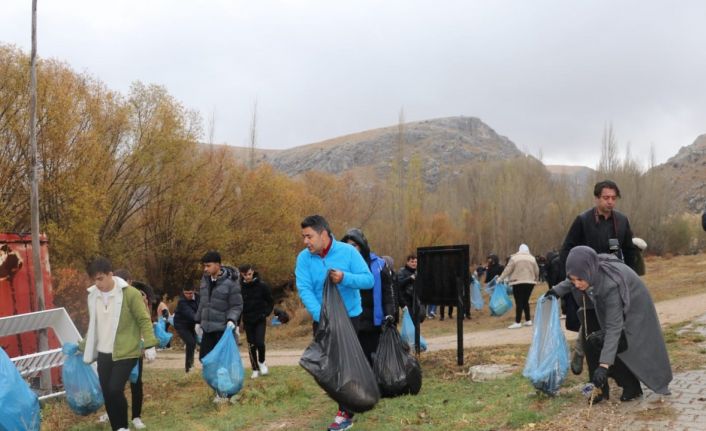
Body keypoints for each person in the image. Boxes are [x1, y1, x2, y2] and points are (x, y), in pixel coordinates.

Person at [546, 246, 672, 402]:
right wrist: (555, 291)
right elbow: (574, 277)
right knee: (591, 342)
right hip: (599, 304)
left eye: (580, 280)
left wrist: (603, 366)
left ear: (589, 272)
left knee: (618, 345)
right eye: (573, 280)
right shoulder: (587, 271)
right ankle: (597, 390)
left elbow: (614, 329)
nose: (576, 284)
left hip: (633, 308)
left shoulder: (610, 285)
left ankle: (631, 387)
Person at [295, 215, 374, 431]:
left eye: (309, 236)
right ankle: (350, 399)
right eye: (303, 237)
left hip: (349, 317)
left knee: (344, 364)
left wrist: (345, 278)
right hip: (322, 320)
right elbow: (304, 289)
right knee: (329, 365)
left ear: (323, 234)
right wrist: (321, 317)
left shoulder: (348, 252)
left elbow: (368, 280)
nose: (305, 242)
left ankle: (345, 413)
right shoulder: (303, 259)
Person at [559, 179, 639, 375]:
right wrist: (572, 276)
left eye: (613, 198)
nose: (610, 202)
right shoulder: (583, 220)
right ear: (596, 198)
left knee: (612, 322)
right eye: (606, 198)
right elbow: (567, 248)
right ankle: (581, 352)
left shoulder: (621, 221)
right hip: (588, 282)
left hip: (612, 281)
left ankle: (615, 368)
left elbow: (629, 251)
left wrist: (631, 277)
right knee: (591, 319)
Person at [78, 257, 158, 431]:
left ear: (110, 275)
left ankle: (123, 426)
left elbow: (144, 319)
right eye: (94, 280)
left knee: (115, 389)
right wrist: (81, 346)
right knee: (107, 393)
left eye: (100, 278)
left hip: (126, 351)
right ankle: (118, 428)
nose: (97, 283)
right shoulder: (93, 296)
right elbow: (94, 325)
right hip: (104, 352)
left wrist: (150, 344)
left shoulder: (130, 294)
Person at [341, 228, 397, 365]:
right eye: (347, 245)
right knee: (354, 363)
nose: (351, 249)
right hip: (351, 322)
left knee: (374, 361)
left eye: (354, 245)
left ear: (361, 245)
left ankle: (375, 385)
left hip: (373, 323)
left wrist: (390, 314)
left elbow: (387, 293)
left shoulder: (378, 265)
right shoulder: (341, 266)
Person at [194, 250, 243, 403]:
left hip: (223, 329)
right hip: (207, 328)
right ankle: (218, 389)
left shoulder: (231, 283)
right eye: (204, 266)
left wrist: (232, 320)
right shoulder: (204, 281)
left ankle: (227, 394)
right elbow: (202, 303)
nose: (205, 269)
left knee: (223, 362)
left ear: (218, 265)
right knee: (205, 359)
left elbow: (237, 305)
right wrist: (197, 321)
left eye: (208, 266)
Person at [238, 263, 274, 379]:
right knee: (251, 345)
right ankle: (254, 369)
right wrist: (238, 323)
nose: (247, 277)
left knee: (260, 343)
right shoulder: (239, 288)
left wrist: (265, 313)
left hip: (260, 319)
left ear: (253, 272)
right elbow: (237, 306)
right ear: (241, 274)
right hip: (248, 320)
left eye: (249, 274)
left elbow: (270, 302)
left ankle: (262, 362)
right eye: (244, 275)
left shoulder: (262, 286)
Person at [499, 244, 540, 329]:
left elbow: (508, 269)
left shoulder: (514, 258)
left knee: (519, 302)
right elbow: (537, 270)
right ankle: (528, 320)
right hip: (530, 282)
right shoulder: (532, 258)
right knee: (525, 301)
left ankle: (517, 322)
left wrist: (500, 278)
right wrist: (536, 279)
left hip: (517, 282)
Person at [173, 284, 200, 373]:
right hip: (181, 324)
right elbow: (190, 313)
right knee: (191, 342)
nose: (188, 295)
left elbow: (202, 308)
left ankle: (191, 366)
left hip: (192, 324)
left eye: (190, 293)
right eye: (186, 293)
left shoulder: (199, 297)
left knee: (194, 343)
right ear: (183, 292)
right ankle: (189, 368)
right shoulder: (181, 301)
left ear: (194, 291)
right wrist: (199, 321)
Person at [396, 254, 426, 321]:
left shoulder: (418, 272)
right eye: (412, 261)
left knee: (417, 324)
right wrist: (409, 279)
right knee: (410, 326)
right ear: (407, 262)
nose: (414, 263)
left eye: (416, 262)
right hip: (407, 302)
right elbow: (399, 284)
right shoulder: (402, 271)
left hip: (417, 302)